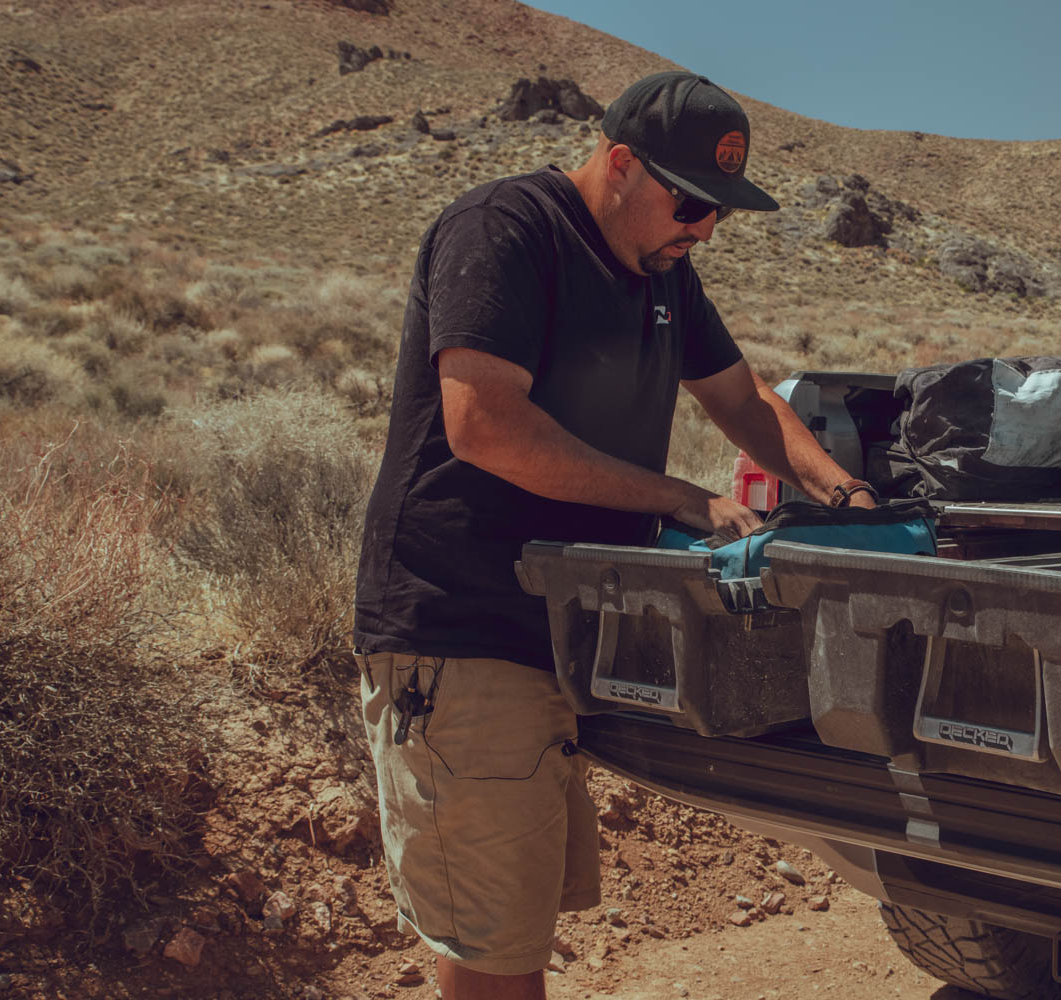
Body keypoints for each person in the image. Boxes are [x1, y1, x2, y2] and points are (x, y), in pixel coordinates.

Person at [351, 71, 877, 1000]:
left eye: (721, 213)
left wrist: (845, 497)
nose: (704, 228)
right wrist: (681, 498)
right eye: (691, 204)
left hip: (565, 635)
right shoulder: (506, 231)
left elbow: (743, 399)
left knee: (502, 929)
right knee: (496, 948)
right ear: (621, 163)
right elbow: (485, 426)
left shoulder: (666, 270)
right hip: (464, 631)